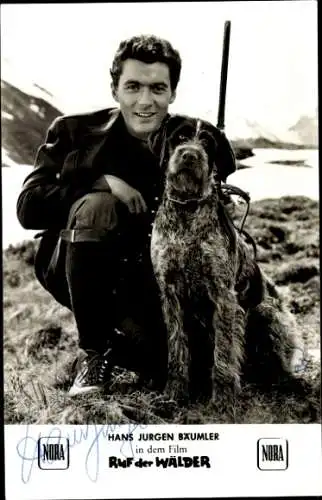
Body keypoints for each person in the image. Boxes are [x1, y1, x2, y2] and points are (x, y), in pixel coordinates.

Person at [17, 34, 237, 396]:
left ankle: (135, 347)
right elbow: (29, 206)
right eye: (133, 86)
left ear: (172, 94)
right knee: (97, 206)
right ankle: (94, 354)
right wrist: (101, 182)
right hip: (86, 270)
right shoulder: (73, 132)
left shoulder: (187, 138)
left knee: (184, 370)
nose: (145, 101)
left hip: (152, 284)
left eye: (158, 89)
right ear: (115, 89)